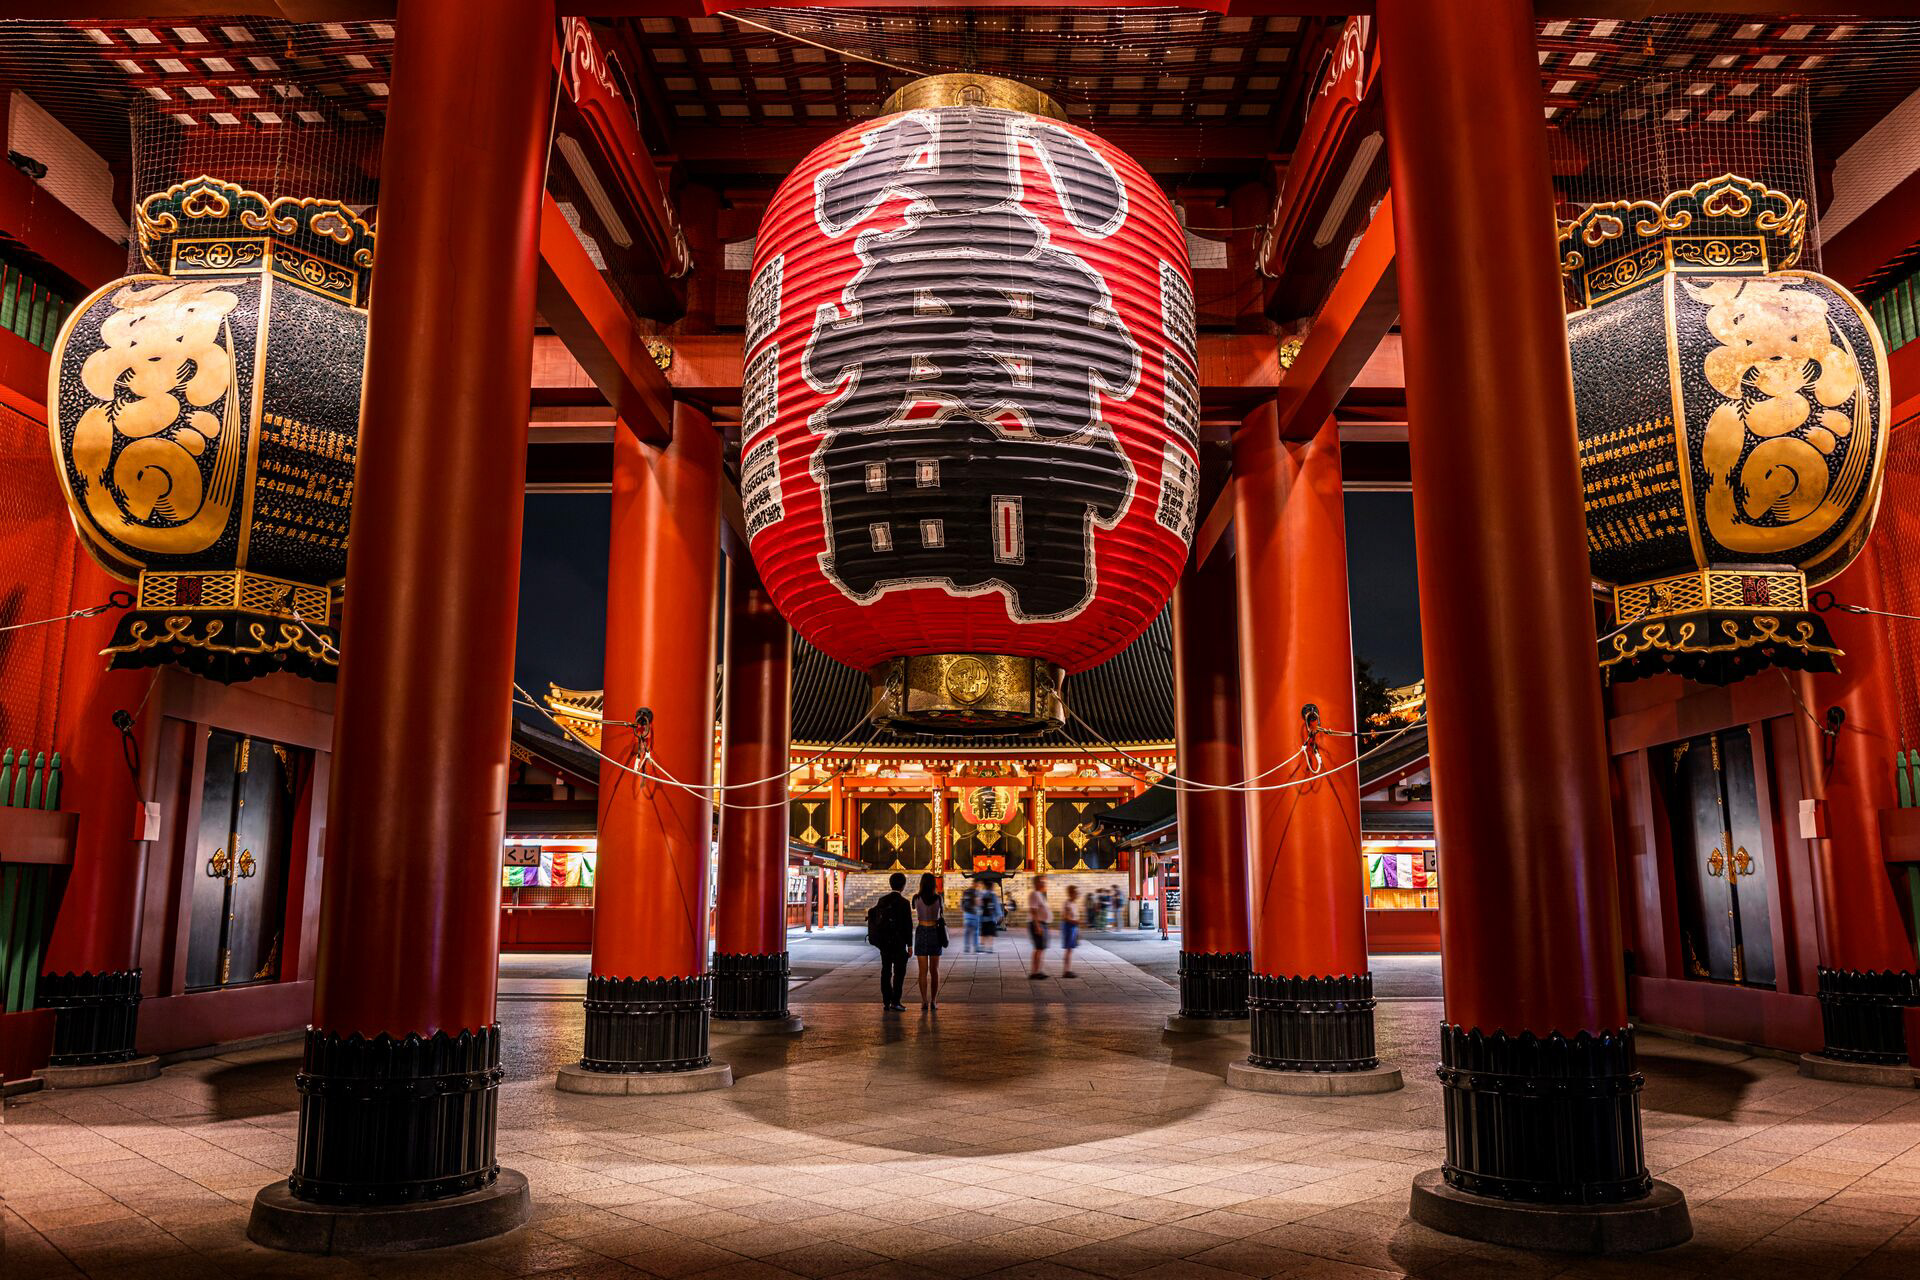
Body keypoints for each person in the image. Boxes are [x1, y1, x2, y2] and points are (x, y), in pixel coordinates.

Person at [867, 871, 912, 1012]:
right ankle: (896, 1001)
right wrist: (910, 945)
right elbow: (908, 925)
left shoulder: (882, 900)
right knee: (899, 973)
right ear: (903, 886)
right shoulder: (904, 903)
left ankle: (886, 1001)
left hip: (884, 942)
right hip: (899, 942)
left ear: (890, 884)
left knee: (886, 971)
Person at [912, 872, 947, 1009]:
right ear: (933, 884)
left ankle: (923, 1001)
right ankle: (933, 1000)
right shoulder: (938, 898)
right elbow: (941, 913)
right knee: (935, 970)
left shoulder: (916, 898)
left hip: (921, 931)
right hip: (934, 932)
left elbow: (915, 908)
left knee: (922, 971)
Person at [1027, 874, 1052, 979]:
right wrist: (1037, 926)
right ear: (1037, 882)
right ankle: (1034, 972)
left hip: (1042, 924)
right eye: (1042, 881)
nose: (1044, 883)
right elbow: (1034, 911)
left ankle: (1038, 971)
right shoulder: (1034, 894)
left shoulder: (1039, 894)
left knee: (1041, 948)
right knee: (1039, 948)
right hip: (1038, 924)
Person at [1061, 884, 1082, 978]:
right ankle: (1066, 971)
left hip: (1073, 927)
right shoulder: (1068, 903)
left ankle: (1068, 970)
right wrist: (1076, 921)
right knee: (1068, 950)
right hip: (1069, 927)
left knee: (1070, 950)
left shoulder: (1073, 903)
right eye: (1076, 892)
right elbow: (1065, 917)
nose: (1078, 894)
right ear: (1071, 893)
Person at [960, 878, 982, 954]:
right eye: (978, 884)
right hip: (974, 914)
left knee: (967, 932)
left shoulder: (966, 892)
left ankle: (966, 947)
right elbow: (978, 903)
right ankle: (976, 948)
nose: (979, 885)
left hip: (966, 914)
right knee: (975, 931)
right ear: (975, 884)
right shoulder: (976, 892)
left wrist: (964, 910)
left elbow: (962, 903)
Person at [978, 881, 1001, 951]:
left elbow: (979, 905)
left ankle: (982, 947)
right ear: (991, 887)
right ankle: (990, 947)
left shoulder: (981, 894)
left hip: (982, 917)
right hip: (991, 917)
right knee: (991, 932)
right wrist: (999, 914)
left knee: (983, 933)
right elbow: (996, 905)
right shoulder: (993, 895)